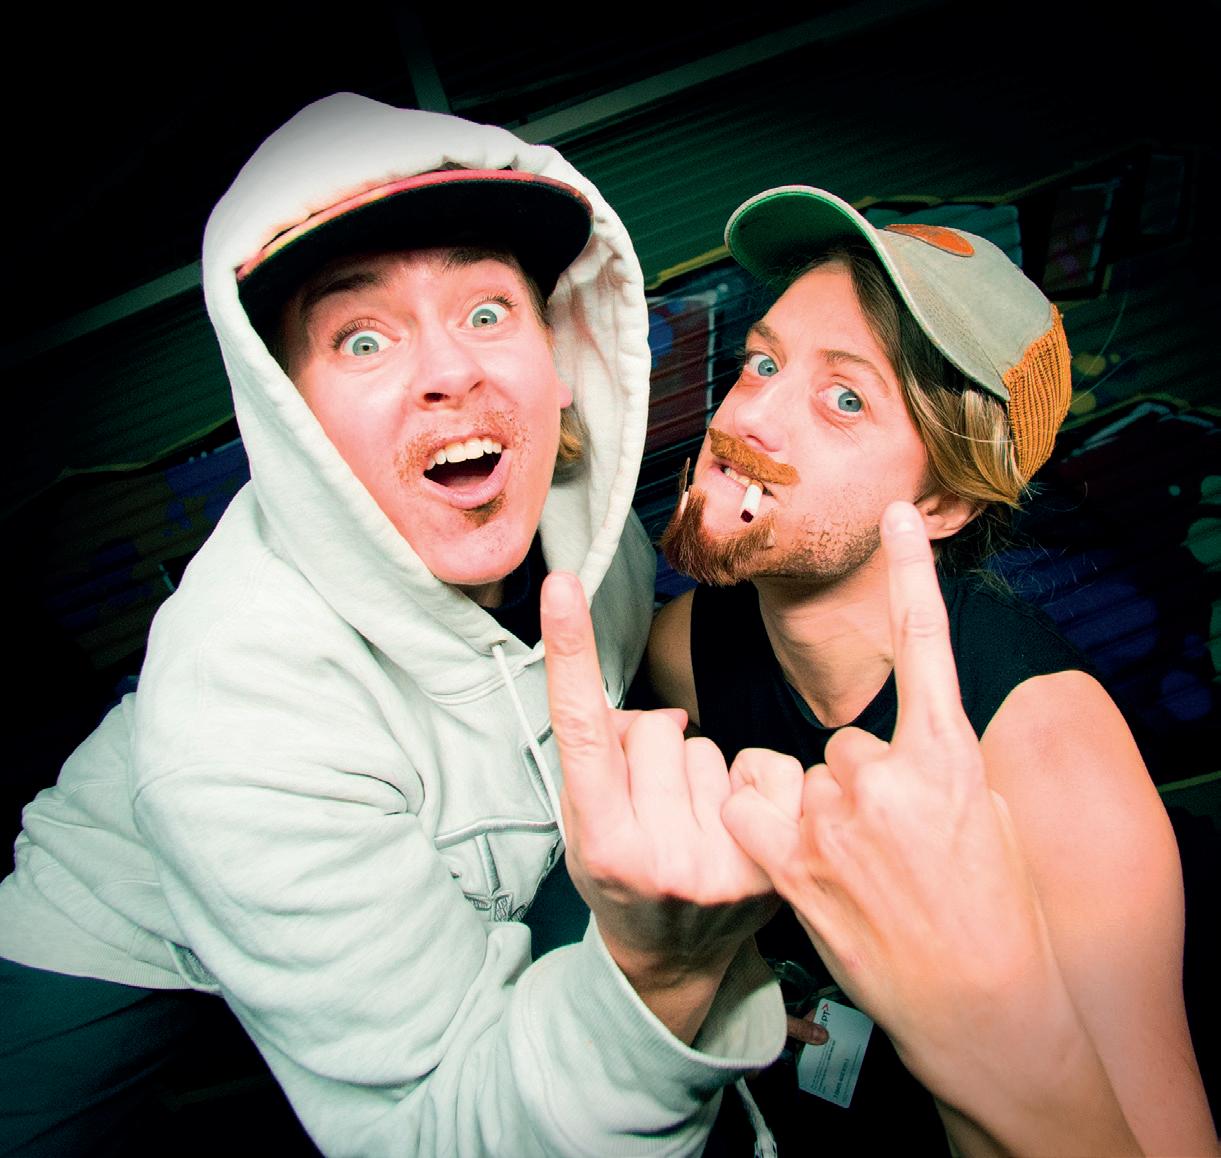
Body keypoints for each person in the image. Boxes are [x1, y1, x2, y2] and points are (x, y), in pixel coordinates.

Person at [0, 93, 786, 1157]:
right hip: (117, 927)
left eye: (487, 312)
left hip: (458, 870)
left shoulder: (601, 552)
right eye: (362, 337)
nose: (451, 372)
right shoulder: (236, 723)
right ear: (292, 418)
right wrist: (664, 976)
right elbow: (424, 1138)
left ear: (557, 357)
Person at [645, 186, 1219, 1156]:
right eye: (764, 362)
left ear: (944, 503)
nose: (751, 417)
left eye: (845, 399)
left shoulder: (1051, 764)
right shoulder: (686, 648)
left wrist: (976, 1036)